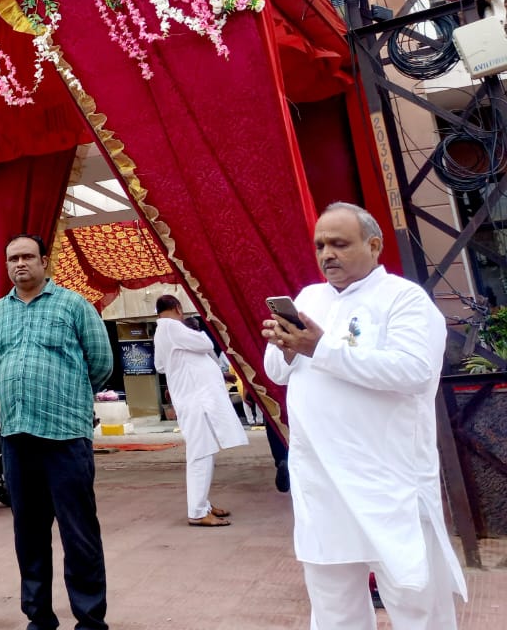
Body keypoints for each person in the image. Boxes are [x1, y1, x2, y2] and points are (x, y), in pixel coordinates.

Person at [263, 201, 468, 629]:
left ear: (374, 245)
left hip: (388, 482)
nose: (326, 255)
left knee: (416, 603)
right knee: (334, 606)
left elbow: (415, 371)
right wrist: (285, 347)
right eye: (320, 245)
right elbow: (277, 372)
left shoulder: (404, 299)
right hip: (321, 483)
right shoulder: (308, 298)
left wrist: (322, 349)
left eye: (339, 243)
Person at [0, 234, 113, 630]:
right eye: (12, 259)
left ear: (44, 261)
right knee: (29, 534)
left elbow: (101, 363)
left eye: (27, 257)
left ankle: (90, 620)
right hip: (17, 436)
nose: (19, 264)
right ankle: (38, 617)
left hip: (65, 437)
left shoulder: (73, 305)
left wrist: (66, 397)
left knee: (79, 532)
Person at [152, 295, 249, 527]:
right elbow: (206, 344)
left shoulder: (162, 332)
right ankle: (197, 511)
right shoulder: (172, 326)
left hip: (193, 399)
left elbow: (161, 365)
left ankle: (202, 503)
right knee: (200, 454)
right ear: (177, 308)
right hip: (196, 401)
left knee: (206, 451)